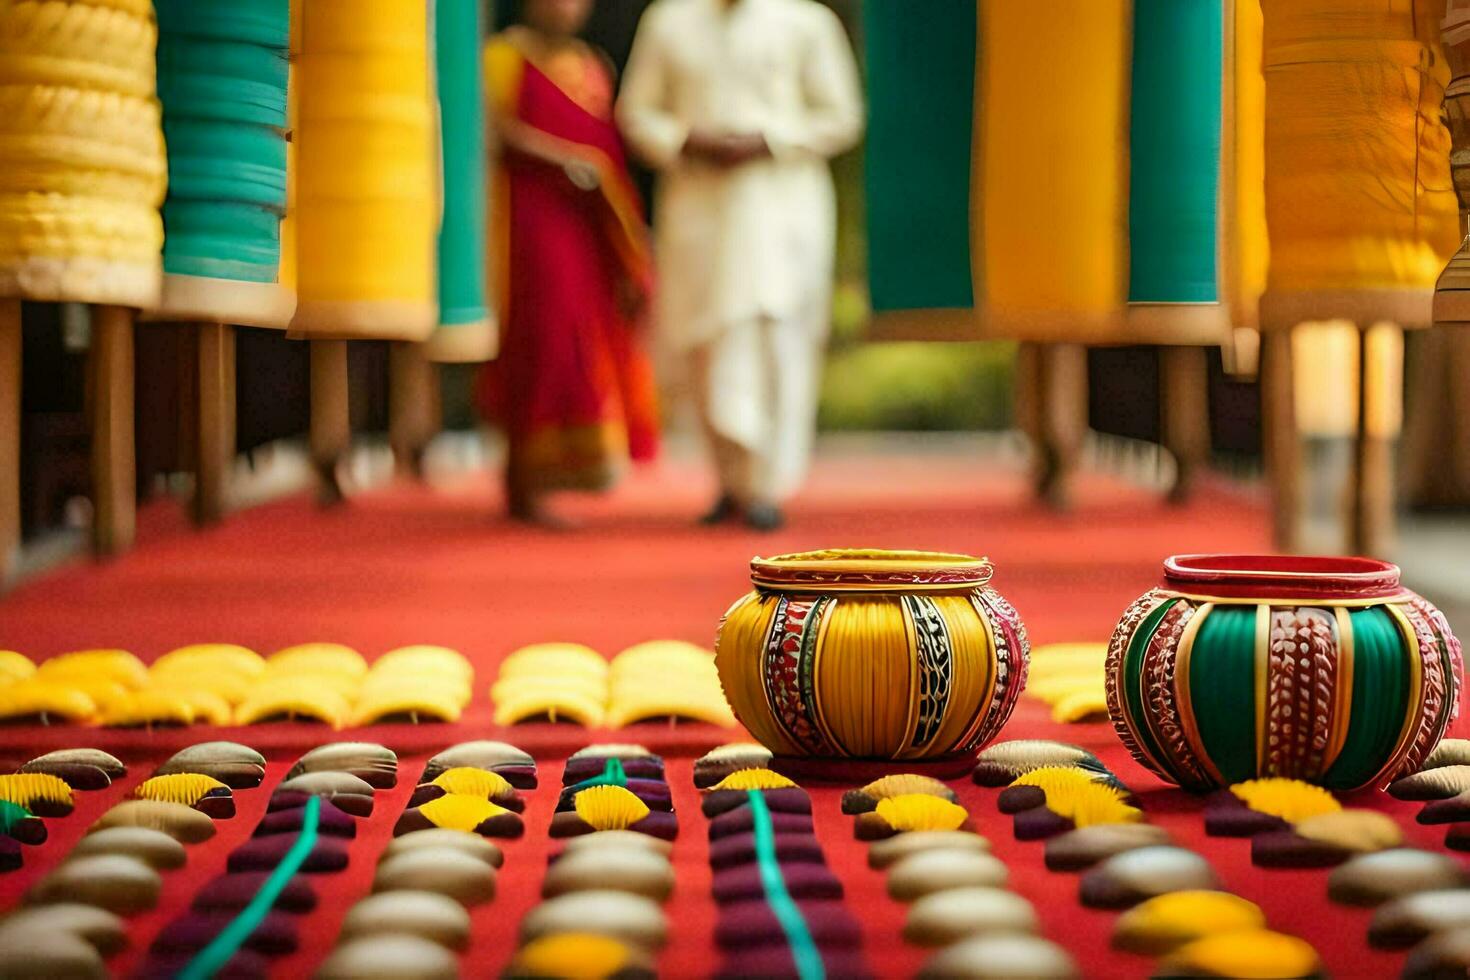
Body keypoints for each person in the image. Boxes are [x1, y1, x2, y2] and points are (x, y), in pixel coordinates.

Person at [616, 0, 864, 531]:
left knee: (775, 337)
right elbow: (636, 112)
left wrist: (769, 141)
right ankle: (728, 481)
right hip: (698, 207)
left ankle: (768, 485)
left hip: (782, 209)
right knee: (706, 340)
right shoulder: (669, 20)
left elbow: (842, 115)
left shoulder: (806, 22)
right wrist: (686, 140)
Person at [479, 0, 659, 525]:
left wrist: (629, 236)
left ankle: (553, 475)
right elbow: (494, 132)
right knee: (538, 337)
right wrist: (563, 158)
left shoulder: (593, 65)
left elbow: (611, 151)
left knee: (579, 340)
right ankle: (522, 483)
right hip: (529, 216)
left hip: (587, 221)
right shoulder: (503, 57)